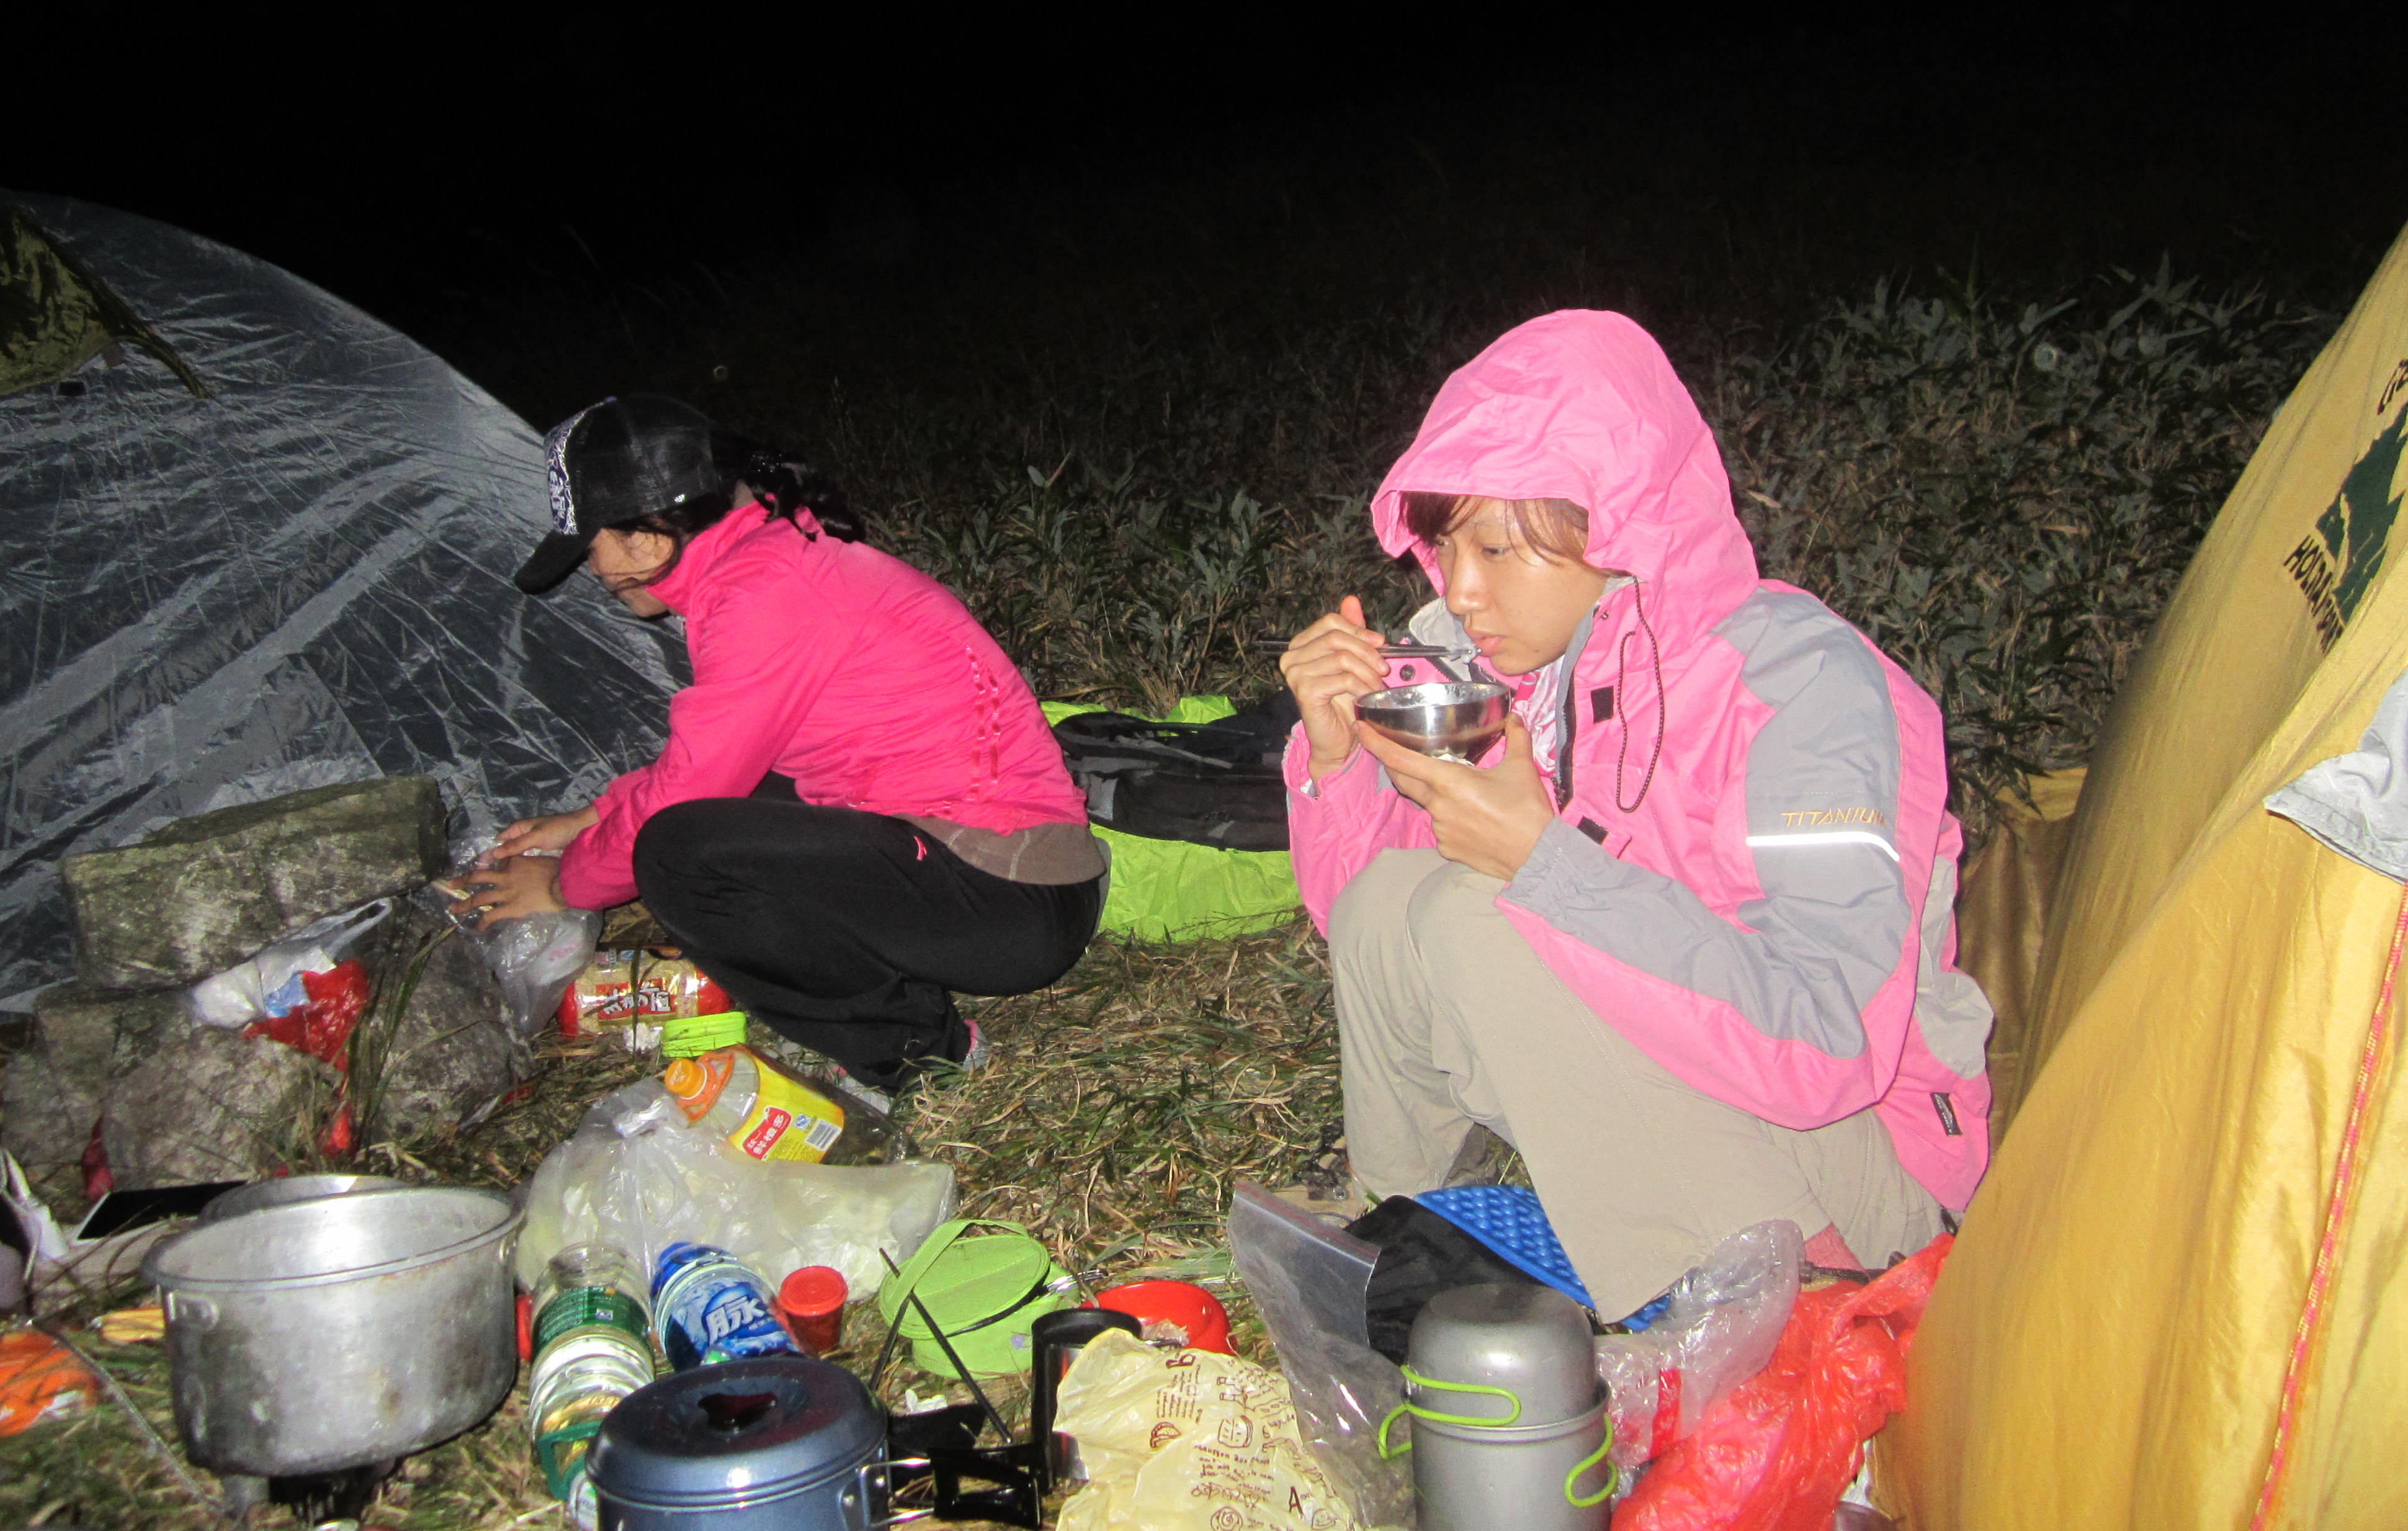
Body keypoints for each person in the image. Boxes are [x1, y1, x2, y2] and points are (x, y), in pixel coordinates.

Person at [1279, 310, 1994, 1321]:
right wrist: (1342, 759)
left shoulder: (1801, 688)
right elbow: (1373, 921)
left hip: (1866, 1173)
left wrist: (1545, 866)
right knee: (1400, 904)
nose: (1463, 588)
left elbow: (1829, 1044)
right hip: (1686, 1091)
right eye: (1447, 546)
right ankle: (1406, 1234)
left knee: (1480, 917)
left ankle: (1786, 1323)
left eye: (1497, 547)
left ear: (1618, 526)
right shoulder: (1517, 672)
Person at [460, 395, 1107, 1098]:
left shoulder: (765, 591)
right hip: (992, 867)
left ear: (645, 535)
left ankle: (918, 1053)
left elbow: (691, 790)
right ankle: (897, 994)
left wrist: (561, 885)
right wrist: (593, 818)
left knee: (677, 855)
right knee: (726, 807)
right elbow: (724, 755)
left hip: (1011, 895)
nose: (592, 570)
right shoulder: (765, 558)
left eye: (590, 548)